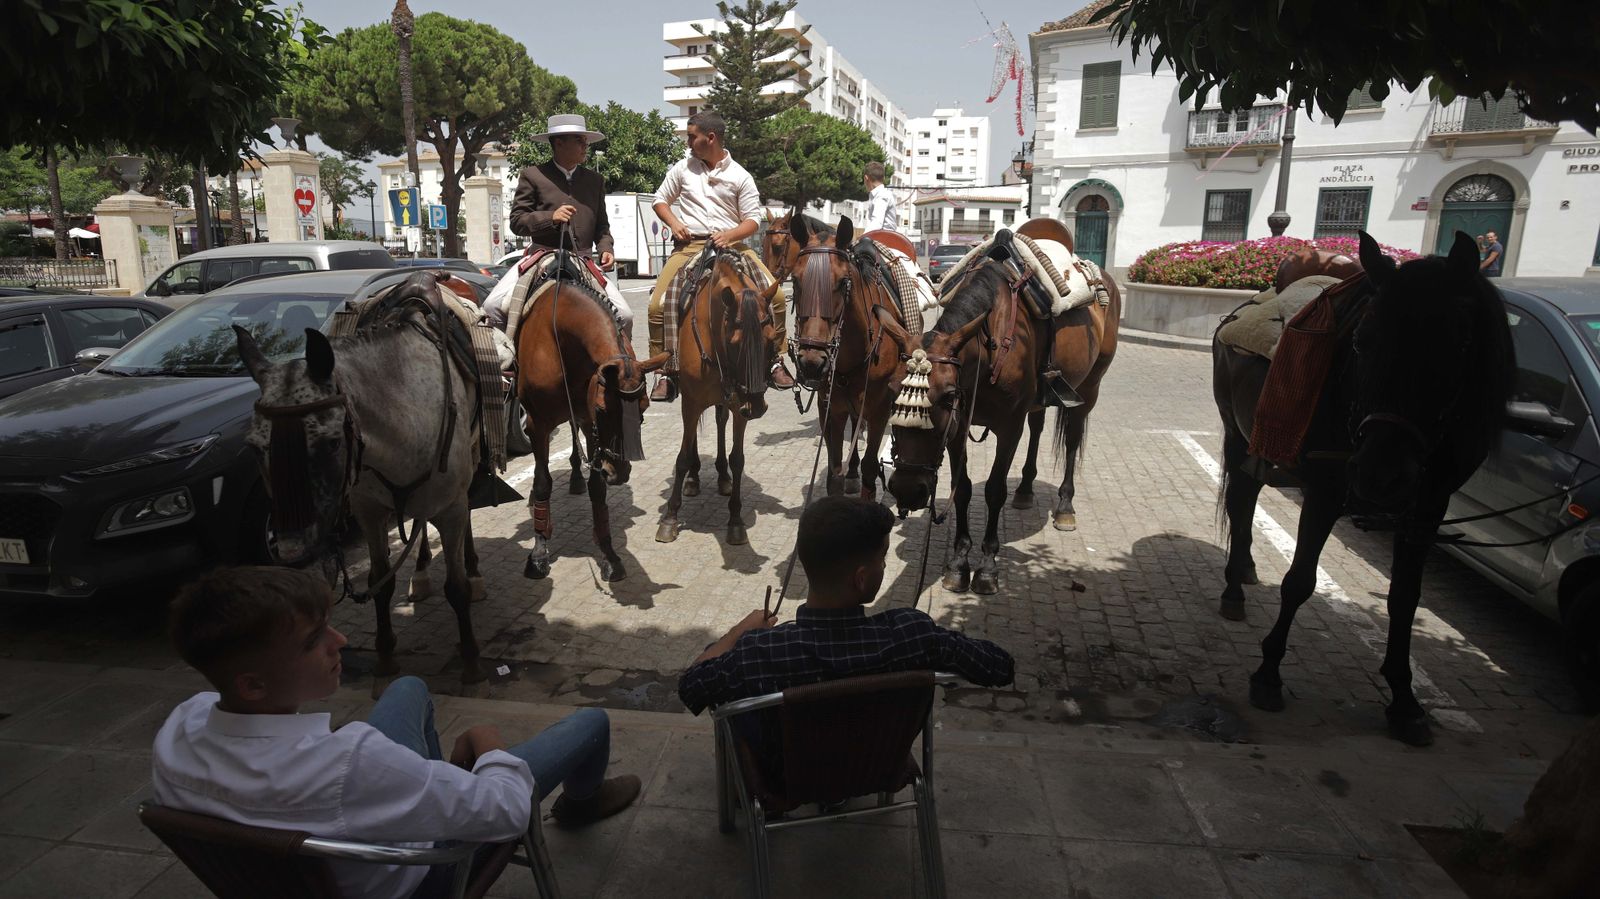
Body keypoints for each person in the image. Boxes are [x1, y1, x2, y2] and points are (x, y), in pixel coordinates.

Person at [151, 566, 640, 899]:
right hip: (421, 877)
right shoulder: (350, 763)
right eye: (312, 641)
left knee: (407, 686)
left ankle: (434, 787)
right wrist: (488, 744)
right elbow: (508, 812)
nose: (340, 641)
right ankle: (580, 804)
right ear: (253, 684)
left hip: (319, 858)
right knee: (590, 723)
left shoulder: (179, 731)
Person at [676, 496, 1015, 722]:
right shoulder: (912, 634)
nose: (885, 565)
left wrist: (739, 633)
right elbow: (1001, 667)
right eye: (883, 558)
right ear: (862, 579)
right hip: (877, 766)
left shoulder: (759, 652)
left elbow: (690, 686)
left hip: (788, 776)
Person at [646, 110, 793, 402]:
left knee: (774, 298)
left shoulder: (741, 176)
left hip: (734, 246)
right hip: (690, 247)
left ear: (710, 137)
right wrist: (675, 223)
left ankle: (776, 359)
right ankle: (666, 371)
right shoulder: (682, 169)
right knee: (656, 305)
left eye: (692, 136)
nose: (688, 142)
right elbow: (660, 200)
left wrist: (731, 235)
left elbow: (752, 219)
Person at [497, 113, 633, 328]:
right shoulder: (532, 175)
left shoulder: (595, 180)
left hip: (584, 261)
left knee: (625, 316)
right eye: (579, 140)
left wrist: (606, 248)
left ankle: (622, 363)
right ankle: (506, 359)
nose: (585, 145)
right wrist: (550, 217)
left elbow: (602, 225)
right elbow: (517, 221)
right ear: (559, 143)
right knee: (492, 307)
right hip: (541, 258)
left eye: (585, 140)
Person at [860, 161, 899, 233]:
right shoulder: (880, 194)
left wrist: (861, 239)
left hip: (884, 238)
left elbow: (876, 223)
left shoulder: (881, 195)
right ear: (883, 178)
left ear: (866, 178)